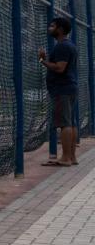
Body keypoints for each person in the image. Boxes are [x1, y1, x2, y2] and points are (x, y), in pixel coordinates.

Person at [41, 17, 79, 168]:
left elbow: (60, 67)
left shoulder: (62, 46)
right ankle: (72, 157)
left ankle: (66, 158)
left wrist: (42, 61)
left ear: (61, 29)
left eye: (52, 26)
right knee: (70, 123)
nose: (49, 28)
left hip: (62, 89)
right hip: (69, 88)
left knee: (64, 124)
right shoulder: (69, 45)